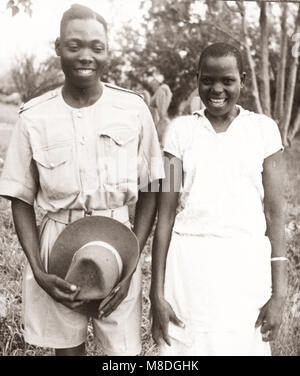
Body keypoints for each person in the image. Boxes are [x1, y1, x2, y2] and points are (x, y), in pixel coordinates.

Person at [0, 4, 164, 356]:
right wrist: (39, 271)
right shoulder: (34, 116)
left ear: (108, 51)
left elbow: (155, 183)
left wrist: (132, 256)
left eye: (96, 46)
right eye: (74, 46)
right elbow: (19, 197)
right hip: (57, 248)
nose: (85, 56)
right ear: (57, 47)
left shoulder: (134, 109)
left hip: (120, 245)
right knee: (67, 351)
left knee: (121, 356)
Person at [150, 42, 287, 356]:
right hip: (189, 269)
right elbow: (165, 215)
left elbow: (276, 212)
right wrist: (156, 293)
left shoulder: (264, 131)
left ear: (242, 80)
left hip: (246, 267)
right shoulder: (178, 132)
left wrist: (279, 292)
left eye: (227, 80)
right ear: (197, 79)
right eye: (207, 79)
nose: (217, 89)